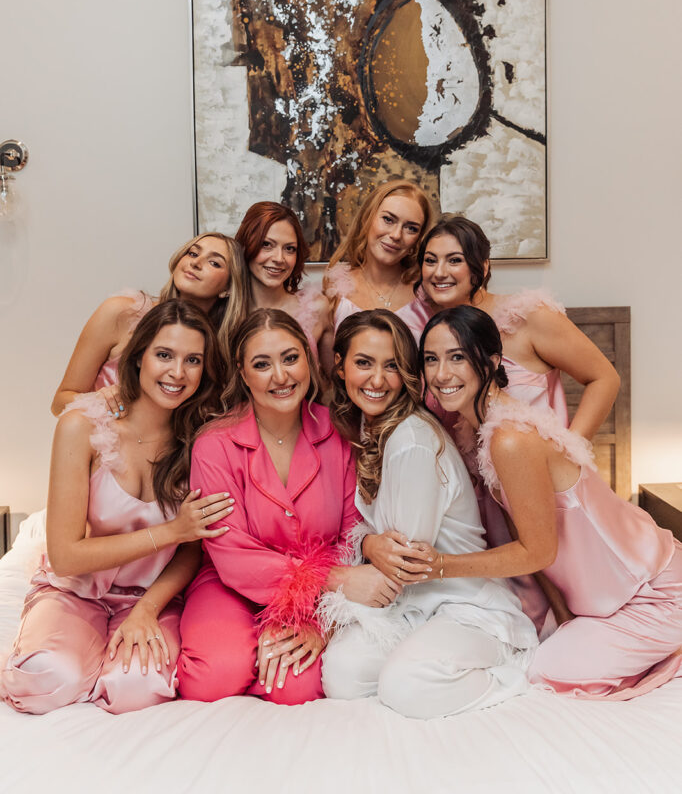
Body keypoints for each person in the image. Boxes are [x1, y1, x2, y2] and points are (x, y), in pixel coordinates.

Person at [418, 305, 682, 699]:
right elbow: (536, 540)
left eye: (457, 357)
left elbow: (537, 552)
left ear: (491, 362)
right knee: (548, 650)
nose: (441, 374)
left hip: (653, 593)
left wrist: (438, 566)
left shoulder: (511, 439)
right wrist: (565, 618)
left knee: (544, 671)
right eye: (431, 359)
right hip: (610, 601)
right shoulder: (484, 430)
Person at [1, 300, 233, 714]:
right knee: (47, 679)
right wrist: (170, 531)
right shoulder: (81, 427)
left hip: (152, 596)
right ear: (138, 356)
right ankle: (72, 651)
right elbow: (66, 556)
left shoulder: (204, 438)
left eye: (192, 360)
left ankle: (106, 662)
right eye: (164, 355)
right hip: (76, 590)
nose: (177, 373)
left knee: (136, 691)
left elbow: (192, 547)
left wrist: (146, 609)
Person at [320, 309, 537, 719]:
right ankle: (421, 659)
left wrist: (358, 556)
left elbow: (404, 559)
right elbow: (371, 533)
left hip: (458, 601)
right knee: (342, 676)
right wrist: (367, 541)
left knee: (406, 686)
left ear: (406, 373)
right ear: (340, 366)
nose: (377, 380)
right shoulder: (370, 426)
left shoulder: (413, 440)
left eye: (392, 366)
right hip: (412, 606)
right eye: (364, 363)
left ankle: (512, 669)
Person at [177, 308, 398, 706]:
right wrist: (333, 580)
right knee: (212, 678)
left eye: (290, 358)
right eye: (262, 364)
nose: (280, 376)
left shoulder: (341, 433)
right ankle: (245, 655)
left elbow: (351, 535)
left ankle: (262, 657)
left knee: (294, 688)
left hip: (315, 598)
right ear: (243, 374)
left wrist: (321, 619)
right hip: (232, 588)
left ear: (310, 363)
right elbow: (231, 555)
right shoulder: (214, 444)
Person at [417, 215, 620, 436]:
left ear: (483, 268)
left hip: (539, 463)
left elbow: (605, 378)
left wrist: (569, 453)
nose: (439, 272)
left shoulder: (527, 316)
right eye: (430, 260)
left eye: (454, 260)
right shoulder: (434, 335)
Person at [52, 232, 249, 417]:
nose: (195, 263)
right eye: (192, 253)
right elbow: (59, 402)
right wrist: (101, 401)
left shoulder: (223, 349)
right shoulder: (123, 314)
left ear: (228, 288)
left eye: (214, 262)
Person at [322, 180, 434, 359]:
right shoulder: (335, 287)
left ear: (419, 238)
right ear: (368, 217)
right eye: (388, 220)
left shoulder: (428, 293)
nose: (396, 235)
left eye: (411, 228)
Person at [235, 202, 330, 362]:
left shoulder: (317, 308)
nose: (279, 259)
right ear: (245, 246)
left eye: (289, 249)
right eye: (266, 245)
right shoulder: (226, 312)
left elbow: (330, 382)